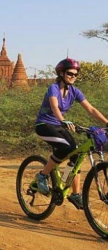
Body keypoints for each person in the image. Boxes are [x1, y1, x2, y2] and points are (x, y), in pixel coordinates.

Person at [35, 58, 108, 209]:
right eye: (70, 73)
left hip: (59, 126)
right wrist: (63, 120)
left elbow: (91, 109)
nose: (73, 76)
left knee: (76, 155)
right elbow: (54, 106)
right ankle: (42, 176)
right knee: (65, 148)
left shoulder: (75, 91)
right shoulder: (53, 88)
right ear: (61, 73)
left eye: (76, 74)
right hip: (44, 125)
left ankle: (75, 194)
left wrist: (106, 122)